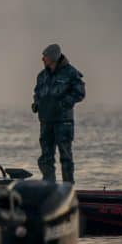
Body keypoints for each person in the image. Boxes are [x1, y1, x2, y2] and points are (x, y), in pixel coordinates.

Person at [32, 43, 86, 183]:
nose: (43, 59)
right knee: (46, 157)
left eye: (45, 56)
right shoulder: (42, 76)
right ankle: (48, 186)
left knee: (66, 157)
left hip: (63, 122)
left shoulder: (71, 73)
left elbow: (80, 93)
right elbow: (37, 93)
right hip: (46, 121)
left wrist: (63, 104)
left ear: (53, 57)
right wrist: (37, 104)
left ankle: (68, 188)